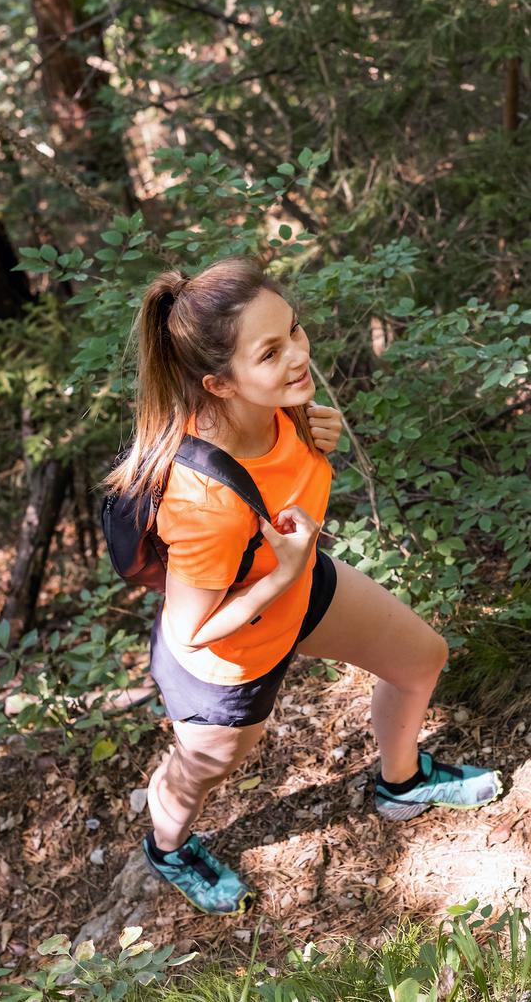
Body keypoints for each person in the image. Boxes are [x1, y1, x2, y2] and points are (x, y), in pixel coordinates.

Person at [103, 256, 502, 915]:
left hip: (299, 592)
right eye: (270, 351)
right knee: (202, 772)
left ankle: (401, 783)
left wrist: (320, 446)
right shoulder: (201, 500)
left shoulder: (285, 412)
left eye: (294, 330)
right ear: (221, 385)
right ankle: (168, 848)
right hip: (228, 660)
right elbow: (190, 631)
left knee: (422, 659)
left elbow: (293, 501)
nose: (297, 356)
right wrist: (285, 569)